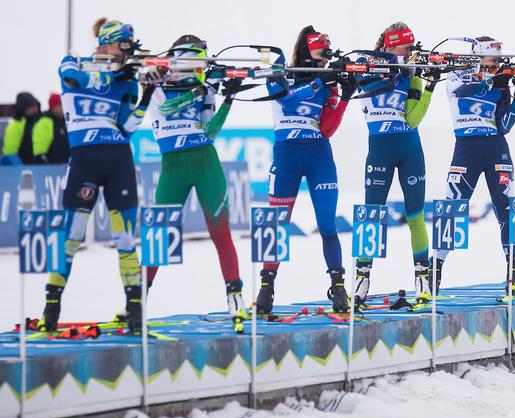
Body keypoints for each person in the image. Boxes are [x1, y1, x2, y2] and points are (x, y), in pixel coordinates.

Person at [42, 17, 153, 331]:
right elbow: (76, 81)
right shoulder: (74, 61)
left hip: (118, 159)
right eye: (123, 45)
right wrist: (116, 73)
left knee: (125, 239)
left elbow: (128, 128)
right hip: (84, 160)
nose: (126, 53)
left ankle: (134, 309)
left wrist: (144, 94)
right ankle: (51, 306)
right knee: (72, 237)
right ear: (108, 42)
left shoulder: (127, 80)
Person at [145, 35, 245, 327]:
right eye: (196, 59)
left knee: (221, 234)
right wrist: (200, 87)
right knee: (159, 235)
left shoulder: (205, 88)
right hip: (173, 164)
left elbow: (209, 131)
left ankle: (235, 299)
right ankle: (137, 301)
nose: (199, 66)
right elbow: (165, 110)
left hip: (204, 161)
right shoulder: (157, 82)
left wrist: (227, 98)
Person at [256, 25, 355, 314]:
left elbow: (327, 129)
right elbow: (285, 98)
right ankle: (266, 289)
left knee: (327, 225)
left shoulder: (328, 82)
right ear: (307, 49)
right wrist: (319, 83)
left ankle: (338, 287)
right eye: (320, 50)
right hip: (286, 156)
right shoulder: (283, 74)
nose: (325, 56)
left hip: (318, 156)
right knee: (278, 225)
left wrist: (344, 96)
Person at [430, 36, 515, 297]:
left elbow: (504, 126)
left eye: (498, 59)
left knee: (506, 208)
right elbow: (460, 92)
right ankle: (433, 273)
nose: (495, 63)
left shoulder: (500, 81)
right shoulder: (457, 73)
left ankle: (514, 274)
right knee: (452, 206)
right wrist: (489, 81)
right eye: (490, 58)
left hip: (496, 148)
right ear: (477, 55)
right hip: (466, 148)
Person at [353, 22, 438, 307]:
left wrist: (429, 85)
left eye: (413, 48)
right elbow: (359, 81)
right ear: (390, 46)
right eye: (406, 47)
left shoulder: (410, 73)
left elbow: (412, 120)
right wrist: (391, 68)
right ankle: (361, 279)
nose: (411, 52)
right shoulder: (366, 65)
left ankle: (422, 279)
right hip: (380, 150)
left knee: (416, 217)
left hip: (410, 149)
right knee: (371, 216)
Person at [1, 92, 45, 164]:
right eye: (31, 106)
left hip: (44, 168)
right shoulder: (16, 125)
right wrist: (19, 168)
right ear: (23, 108)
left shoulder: (42, 122)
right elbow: (11, 152)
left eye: (35, 105)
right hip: (24, 170)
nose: (34, 109)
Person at [33, 93, 71, 163]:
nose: (65, 108)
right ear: (54, 107)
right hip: (52, 170)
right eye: (62, 105)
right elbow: (40, 151)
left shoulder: (66, 123)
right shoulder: (45, 122)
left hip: (66, 167)